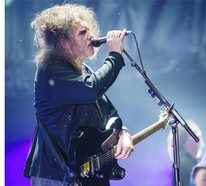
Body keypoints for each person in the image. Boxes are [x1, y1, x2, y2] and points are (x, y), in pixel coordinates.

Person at [24, 3, 134, 186]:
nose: (91, 35)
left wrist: (123, 133)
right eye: (82, 33)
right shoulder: (50, 71)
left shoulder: (85, 71)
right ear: (64, 43)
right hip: (56, 175)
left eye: (89, 30)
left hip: (87, 174)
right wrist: (115, 56)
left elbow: (110, 113)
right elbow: (92, 89)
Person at [167, 120, 205, 186]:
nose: (199, 140)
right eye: (195, 135)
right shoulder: (185, 163)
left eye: (199, 136)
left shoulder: (181, 161)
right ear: (183, 140)